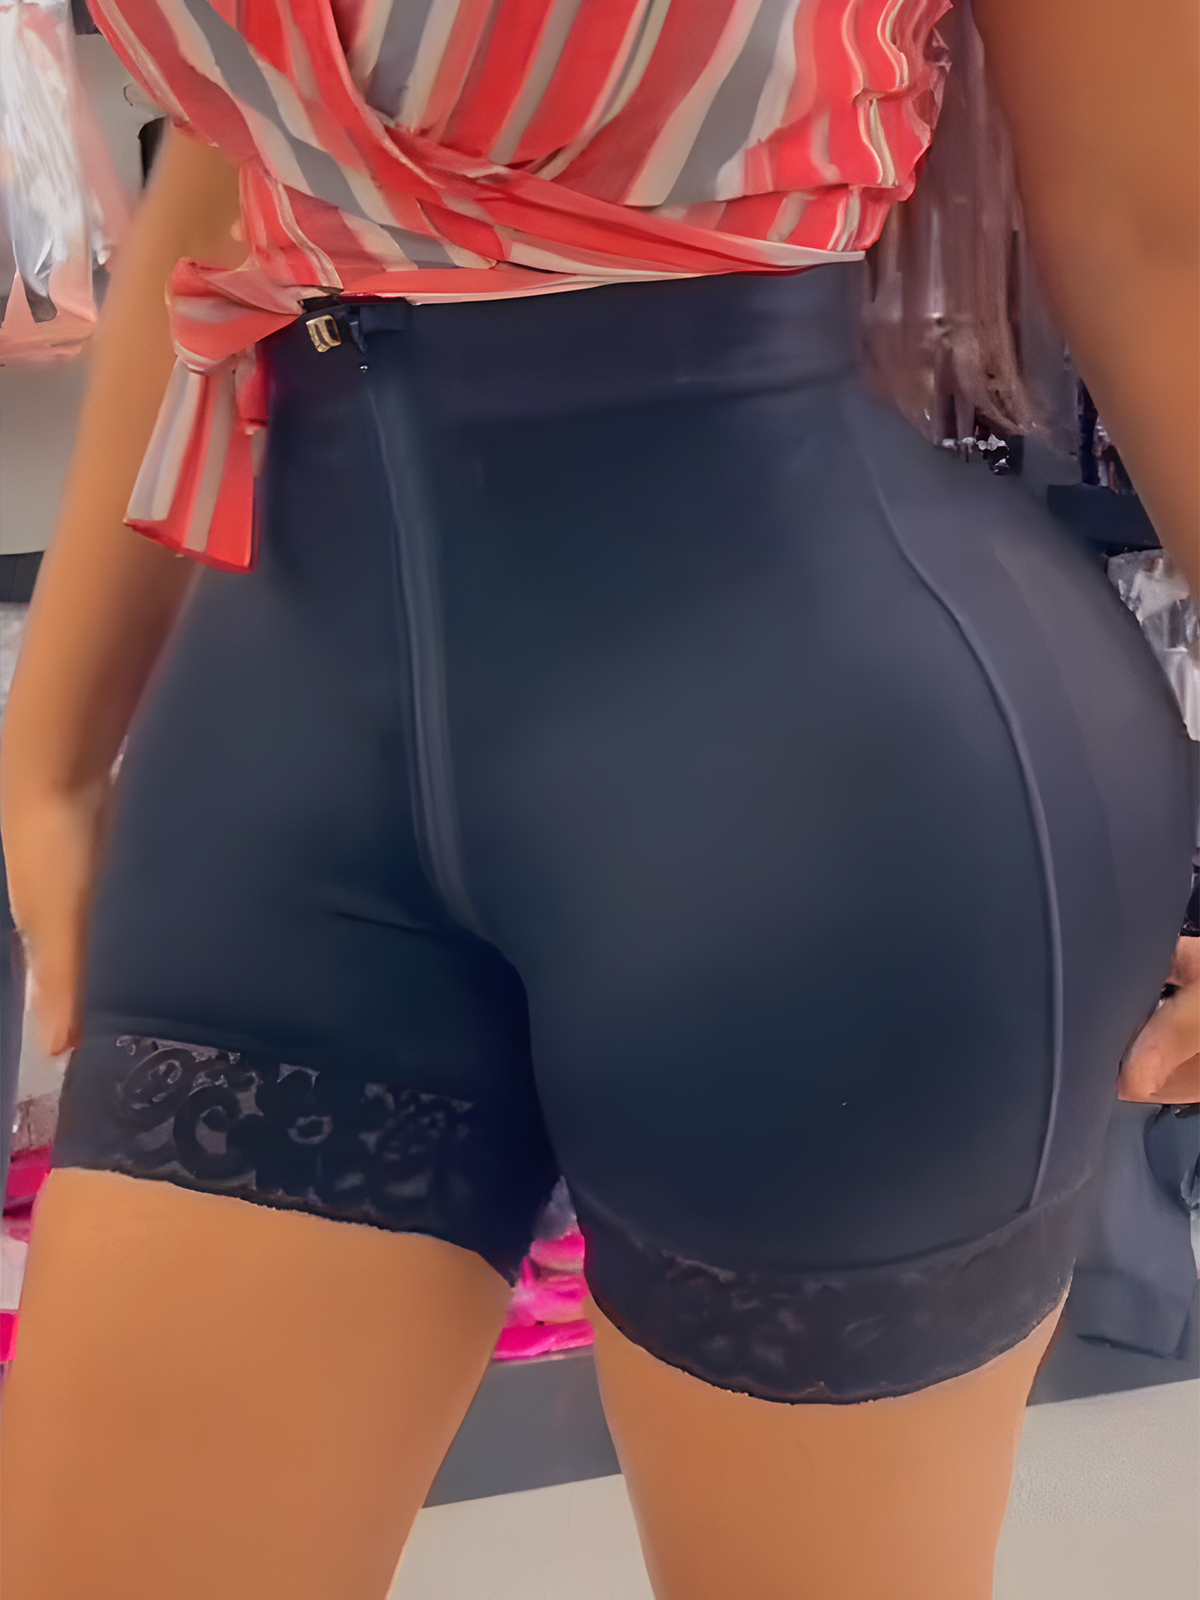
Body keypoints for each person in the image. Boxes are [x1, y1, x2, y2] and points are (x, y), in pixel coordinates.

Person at [1, 1, 1199, 1596]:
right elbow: (236, 167)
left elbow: (1155, 234)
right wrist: (54, 741)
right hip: (286, 727)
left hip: (824, 779)